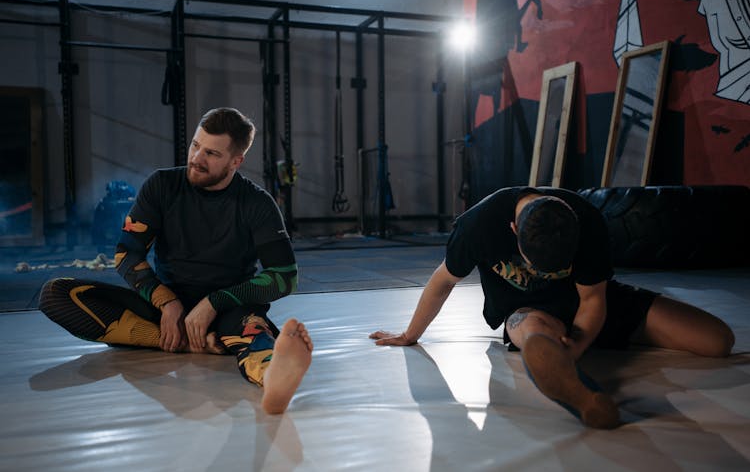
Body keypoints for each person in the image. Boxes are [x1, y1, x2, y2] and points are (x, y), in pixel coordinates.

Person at [370, 186, 735, 429]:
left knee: (717, 340)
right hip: (527, 312)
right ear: (513, 229)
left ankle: (568, 360)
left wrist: (576, 345)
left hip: (591, 304)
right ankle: (583, 395)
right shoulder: (478, 226)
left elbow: (593, 300)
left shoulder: (587, 220)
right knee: (532, 331)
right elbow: (442, 282)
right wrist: (410, 335)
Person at [39, 107, 312, 414]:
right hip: (166, 312)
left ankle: (273, 380)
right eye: (195, 145)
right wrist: (167, 302)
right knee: (55, 294)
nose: (197, 158)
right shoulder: (162, 186)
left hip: (228, 311)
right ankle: (192, 341)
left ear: (236, 161)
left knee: (254, 334)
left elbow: (285, 276)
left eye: (211, 153)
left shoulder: (257, 203)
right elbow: (127, 253)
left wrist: (214, 303)